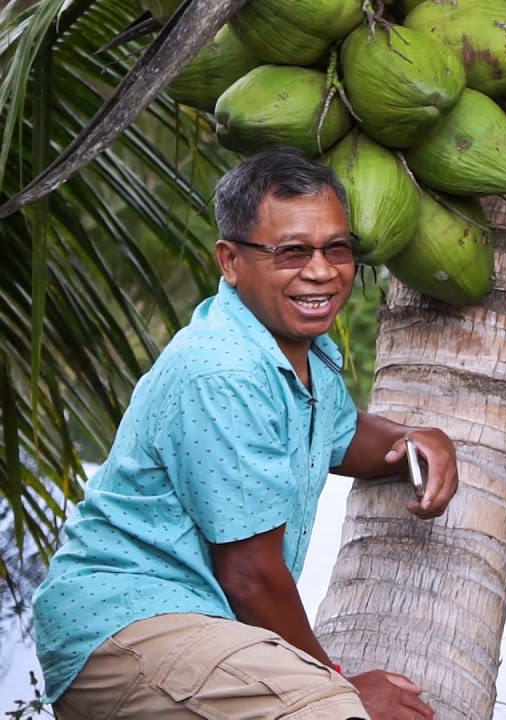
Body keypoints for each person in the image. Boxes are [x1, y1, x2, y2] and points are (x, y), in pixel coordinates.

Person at [31, 146, 459, 720]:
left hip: (199, 627)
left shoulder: (294, 346)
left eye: (337, 248)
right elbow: (250, 575)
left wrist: (413, 438)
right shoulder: (222, 368)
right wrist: (337, 685)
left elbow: (338, 435)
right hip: (129, 627)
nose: (322, 271)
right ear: (230, 261)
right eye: (291, 252)